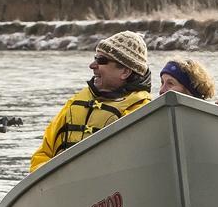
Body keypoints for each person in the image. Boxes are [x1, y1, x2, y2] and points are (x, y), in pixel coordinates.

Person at [30, 31, 153, 172]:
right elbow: (43, 153)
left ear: (125, 72)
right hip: (61, 184)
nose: (92, 65)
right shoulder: (75, 102)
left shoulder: (141, 110)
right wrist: (44, 173)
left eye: (101, 60)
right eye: (95, 58)